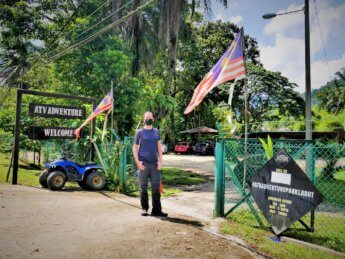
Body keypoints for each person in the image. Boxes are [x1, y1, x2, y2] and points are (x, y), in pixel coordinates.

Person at [133, 111, 168, 217]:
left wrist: (161, 161)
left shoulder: (156, 132)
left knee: (156, 188)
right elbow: (135, 148)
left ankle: (156, 210)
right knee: (143, 187)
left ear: (153, 119)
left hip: (155, 164)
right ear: (144, 119)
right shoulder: (139, 132)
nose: (148, 118)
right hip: (143, 164)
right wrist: (137, 162)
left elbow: (159, 147)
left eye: (150, 117)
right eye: (146, 117)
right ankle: (144, 209)